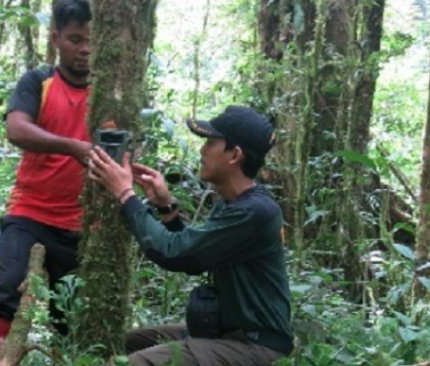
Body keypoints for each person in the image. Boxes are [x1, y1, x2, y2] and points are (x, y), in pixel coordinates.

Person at [88, 105, 294, 365]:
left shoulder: (255, 211)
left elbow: (174, 253)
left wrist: (125, 195)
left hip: (255, 345)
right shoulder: (232, 202)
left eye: (210, 143)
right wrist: (166, 206)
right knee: (124, 342)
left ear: (235, 155)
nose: (202, 150)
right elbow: (197, 254)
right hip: (225, 334)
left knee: (135, 364)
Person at [0, 1, 92, 364]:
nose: (85, 49)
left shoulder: (109, 91)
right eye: (75, 39)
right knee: (3, 292)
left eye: (91, 41)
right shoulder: (38, 82)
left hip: (80, 226)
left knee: (69, 316)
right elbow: (16, 128)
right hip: (29, 214)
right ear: (56, 39)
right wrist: (70, 146)